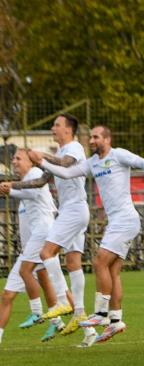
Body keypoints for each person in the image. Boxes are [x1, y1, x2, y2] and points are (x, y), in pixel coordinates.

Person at [31, 125, 144, 345]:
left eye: (96, 137)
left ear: (107, 139)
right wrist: (42, 163)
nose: (91, 140)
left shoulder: (118, 155)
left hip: (126, 220)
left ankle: (100, 314)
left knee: (99, 261)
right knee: (112, 270)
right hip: (117, 223)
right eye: (90, 137)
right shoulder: (92, 163)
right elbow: (67, 172)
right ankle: (116, 319)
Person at [9, 114, 91, 341]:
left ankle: (63, 303)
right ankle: (84, 321)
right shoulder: (60, 153)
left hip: (74, 210)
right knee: (72, 263)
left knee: (46, 253)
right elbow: (40, 181)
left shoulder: (73, 148)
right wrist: (11, 186)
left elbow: (67, 165)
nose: (53, 128)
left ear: (68, 130)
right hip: (71, 210)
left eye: (56, 125)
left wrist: (42, 156)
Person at [0, 148, 60, 344]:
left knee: (27, 274)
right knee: (45, 283)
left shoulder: (35, 174)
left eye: (18, 158)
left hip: (44, 235)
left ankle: (37, 312)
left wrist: (11, 190)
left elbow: (33, 194)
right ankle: (60, 322)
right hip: (36, 242)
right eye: (13, 158)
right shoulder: (25, 187)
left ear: (30, 161)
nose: (14, 161)